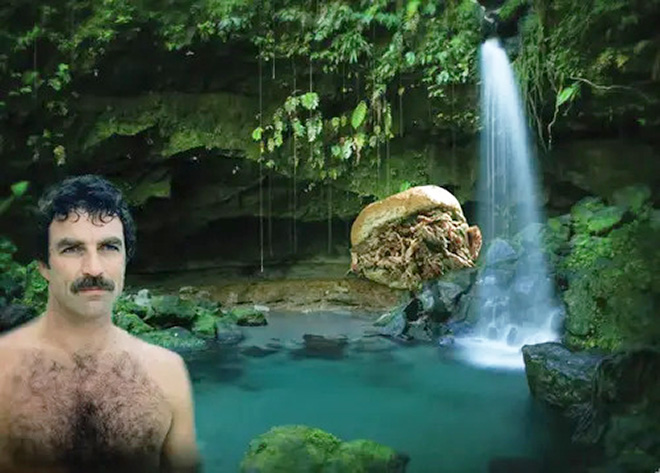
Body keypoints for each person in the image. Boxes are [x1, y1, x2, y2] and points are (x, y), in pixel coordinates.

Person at [0, 175, 201, 473]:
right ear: (43, 265)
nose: (93, 268)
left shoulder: (167, 374)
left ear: (125, 259)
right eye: (72, 249)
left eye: (109, 247)